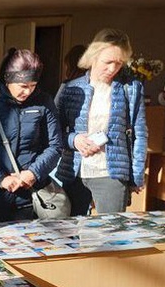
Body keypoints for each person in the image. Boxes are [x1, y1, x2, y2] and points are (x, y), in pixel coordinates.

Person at [55, 28, 148, 215]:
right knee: (69, 235)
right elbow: (53, 131)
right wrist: (74, 140)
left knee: (110, 236)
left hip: (111, 173)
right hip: (74, 172)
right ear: (93, 57)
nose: (113, 69)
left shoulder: (131, 88)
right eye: (108, 62)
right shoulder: (70, 88)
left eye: (119, 63)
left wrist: (136, 176)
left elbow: (140, 133)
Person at [0, 48, 63, 223]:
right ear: (7, 79)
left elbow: (55, 147)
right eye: (23, 86)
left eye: (33, 86)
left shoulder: (44, 103)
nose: (28, 92)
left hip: (32, 196)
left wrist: (33, 173)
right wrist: (0, 179)